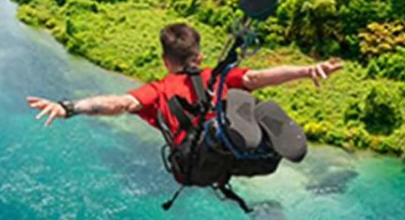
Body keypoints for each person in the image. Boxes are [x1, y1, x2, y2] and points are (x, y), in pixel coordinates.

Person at [27, 21, 343, 135]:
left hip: (191, 166)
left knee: (239, 103)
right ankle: (257, 132)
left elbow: (119, 103)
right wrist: (306, 70)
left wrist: (69, 107)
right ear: (199, 56)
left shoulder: (159, 90)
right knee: (245, 96)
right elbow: (259, 76)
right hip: (223, 149)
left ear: (166, 61)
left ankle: (249, 129)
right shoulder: (216, 77)